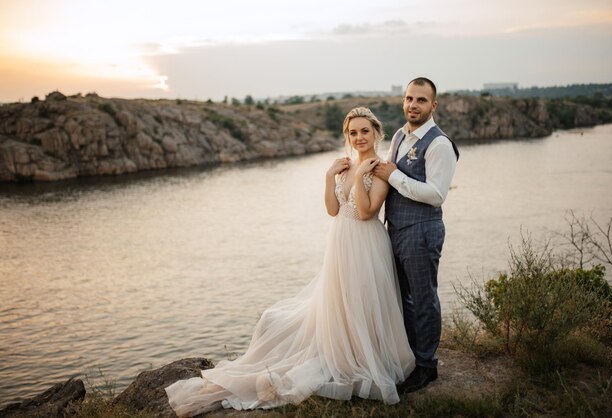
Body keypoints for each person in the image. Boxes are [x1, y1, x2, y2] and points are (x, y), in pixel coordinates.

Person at [165, 107, 415, 417]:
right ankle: (344, 347)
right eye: (353, 132)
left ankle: (365, 356)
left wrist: (364, 174)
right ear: (346, 136)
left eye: (365, 131)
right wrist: (329, 176)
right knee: (340, 300)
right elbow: (333, 210)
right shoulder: (343, 166)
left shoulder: (380, 168)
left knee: (363, 298)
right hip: (340, 240)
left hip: (366, 242)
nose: (359, 137)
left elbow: (366, 213)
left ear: (377, 133)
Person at [373, 77, 459, 393]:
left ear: (433, 106)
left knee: (423, 299)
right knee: (401, 297)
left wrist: (392, 175)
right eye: (409, 98)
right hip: (395, 228)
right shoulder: (399, 135)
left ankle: (426, 366)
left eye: (421, 100)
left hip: (422, 231)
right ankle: (408, 355)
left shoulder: (439, 144)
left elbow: (436, 194)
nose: (413, 105)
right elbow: (388, 175)